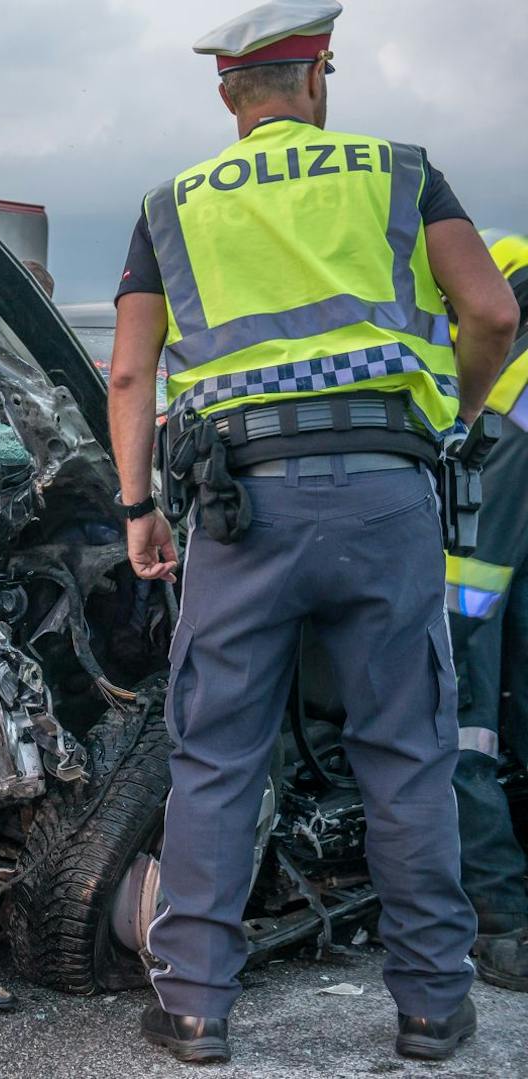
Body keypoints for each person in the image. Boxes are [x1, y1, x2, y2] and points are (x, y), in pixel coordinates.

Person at [107, 1, 520, 1064]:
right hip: (386, 495)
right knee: (404, 749)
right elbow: (491, 315)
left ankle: (193, 1007)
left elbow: (126, 371)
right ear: (317, 79)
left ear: (225, 96)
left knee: (214, 754)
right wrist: (454, 420)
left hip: (241, 509)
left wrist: (137, 508)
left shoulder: (168, 203)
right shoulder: (399, 170)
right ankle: (432, 1004)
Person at [448, 230, 528, 991]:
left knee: (459, 718)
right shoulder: (502, 257)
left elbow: (470, 583)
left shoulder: (502, 390)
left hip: (478, 563)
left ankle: (501, 920)